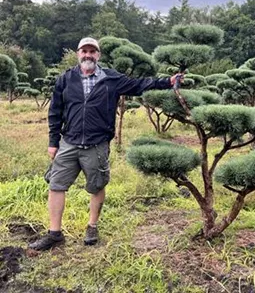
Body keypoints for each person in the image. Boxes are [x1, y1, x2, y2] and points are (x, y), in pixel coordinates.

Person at [29, 37, 182, 251]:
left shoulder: (111, 78)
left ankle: (92, 226)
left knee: (97, 185)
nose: (88, 55)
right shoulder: (65, 79)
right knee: (56, 185)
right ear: (78, 54)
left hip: (97, 144)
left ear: (98, 55)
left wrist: (167, 81)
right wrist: (53, 142)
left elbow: (139, 85)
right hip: (69, 142)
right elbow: (55, 112)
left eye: (92, 51)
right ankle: (54, 234)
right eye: (84, 51)